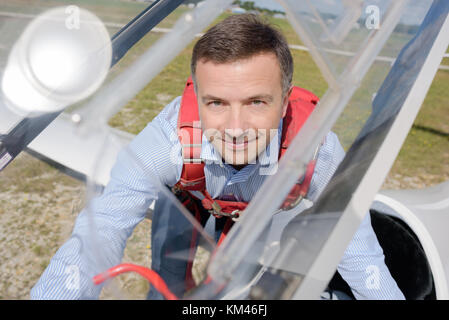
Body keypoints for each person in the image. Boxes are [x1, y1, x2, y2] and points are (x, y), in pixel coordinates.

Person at [31, 14, 405, 300]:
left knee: (239, 285)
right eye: (217, 103)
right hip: (188, 196)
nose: (237, 127)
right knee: (168, 281)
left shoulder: (316, 149)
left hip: (258, 212)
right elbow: (102, 228)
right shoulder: (168, 142)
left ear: (286, 99)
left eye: (257, 101)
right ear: (199, 99)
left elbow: (359, 251)